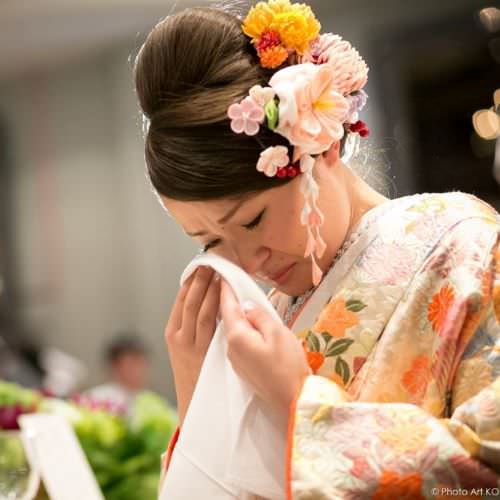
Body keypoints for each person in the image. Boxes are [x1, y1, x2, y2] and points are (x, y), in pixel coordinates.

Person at [134, 1, 500, 497]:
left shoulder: (467, 246)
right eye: (210, 243)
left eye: (253, 219)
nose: (247, 263)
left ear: (320, 145)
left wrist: (299, 403)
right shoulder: (272, 318)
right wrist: (199, 396)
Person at [85, 335, 149, 415]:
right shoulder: (97, 398)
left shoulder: (150, 401)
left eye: (141, 362)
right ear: (115, 365)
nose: (138, 369)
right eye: (132, 363)